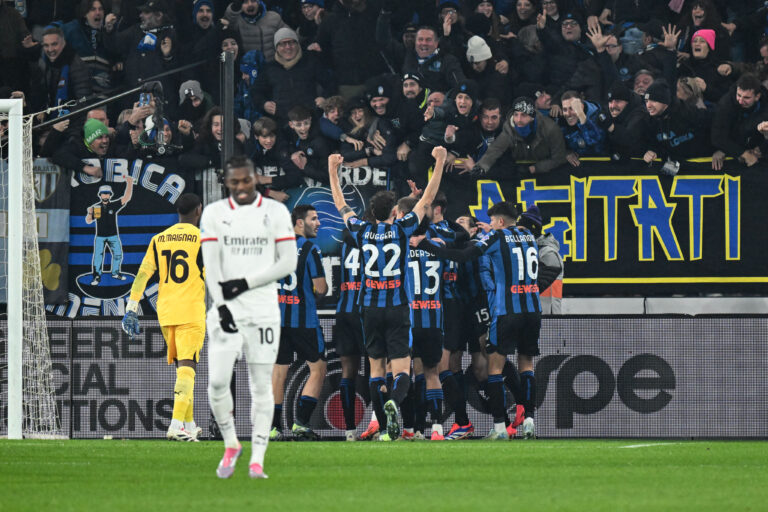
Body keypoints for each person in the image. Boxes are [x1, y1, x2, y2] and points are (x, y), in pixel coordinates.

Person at [327, 146, 447, 441]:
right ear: (394, 212)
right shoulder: (403, 229)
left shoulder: (360, 230)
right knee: (402, 367)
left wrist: (332, 170)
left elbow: (340, 204)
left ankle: (382, 425)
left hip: (369, 308)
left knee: (376, 369)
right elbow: (428, 199)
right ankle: (394, 401)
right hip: (397, 306)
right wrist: (440, 161)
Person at [414, 201, 556, 439]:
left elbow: (465, 254)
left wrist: (426, 245)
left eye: (491, 220)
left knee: (494, 368)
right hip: (532, 310)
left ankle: (499, 427)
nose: (489, 224)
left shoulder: (497, 237)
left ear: (500, 221)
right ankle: (529, 419)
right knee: (526, 364)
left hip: (505, 309)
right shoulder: (529, 237)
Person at [200, 155, 298, 479]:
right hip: (226, 310)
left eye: (246, 180)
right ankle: (231, 444)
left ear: (256, 178)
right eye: (234, 182)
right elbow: (211, 265)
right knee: (217, 382)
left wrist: (245, 283)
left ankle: (257, 458)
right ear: (226, 183)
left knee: (261, 386)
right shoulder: (213, 214)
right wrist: (222, 305)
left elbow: (288, 263)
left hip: (263, 311)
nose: (241, 187)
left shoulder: (276, 212)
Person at [121, 193, 206, 442]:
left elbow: (143, 274)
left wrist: (131, 307)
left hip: (166, 311)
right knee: (188, 368)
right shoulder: (203, 239)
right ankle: (176, 425)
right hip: (190, 309)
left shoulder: (159, 239)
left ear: (178, 211)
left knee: (182, 368)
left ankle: (189, 424)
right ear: (199, 210)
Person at [272, 204, 329, 441]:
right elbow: (322, 288)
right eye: (313, 219)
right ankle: (301, 424)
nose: (318, 223)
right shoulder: (309, 248)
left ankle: (273, 428)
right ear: (299, 223)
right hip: (304, 321)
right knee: (318, 368)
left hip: (276, 320)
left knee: (278, 372)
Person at [711, 73, 768, 169]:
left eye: (746, 97)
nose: (740, 101)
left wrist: (761, 148)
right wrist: (742, 153)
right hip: (733, 138)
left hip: (756, 138)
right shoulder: (725, 105)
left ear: (757, 97)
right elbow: (717, 136)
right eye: (739, 95)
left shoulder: (765, 102)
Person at [84, 176, 134, 285]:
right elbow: (88, 221)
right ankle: (97, 276)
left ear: (110, 195)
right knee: (98, 257)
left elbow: (126, 197)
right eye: (103, 193)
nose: (105, 195)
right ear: (100, 195)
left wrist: (130, 183)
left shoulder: (114, 205)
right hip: (100, 236)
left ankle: (115, 273)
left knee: (118, 254)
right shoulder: (97, 207)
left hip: (113, 235)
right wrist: (90, 212)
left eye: (107, 193)